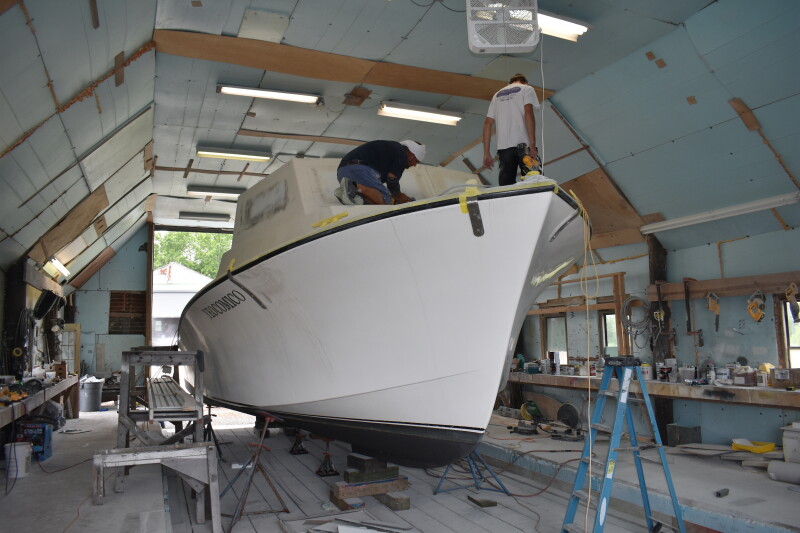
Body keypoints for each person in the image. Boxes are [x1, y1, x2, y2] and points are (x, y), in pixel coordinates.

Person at [482, 73, 541, 186]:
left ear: (510, 83)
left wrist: (486, 153)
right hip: (524, 146)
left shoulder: (496, 95)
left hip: (504, 150)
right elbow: (528, 113)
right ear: (525, 82)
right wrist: (532, 144)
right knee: (534, 182)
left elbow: (487, 124)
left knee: (506, 187)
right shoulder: (527, 89)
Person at [334, 140, 425, 205]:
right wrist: (401, 197)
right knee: (385, 197)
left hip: (342, 172)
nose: (414, 165)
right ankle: (354, 188)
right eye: (416, 161)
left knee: (370, 202)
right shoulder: (401, 153)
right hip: (360, 169)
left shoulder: (391, 150)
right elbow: (392, 180)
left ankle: (353, 190)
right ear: (412, 155)